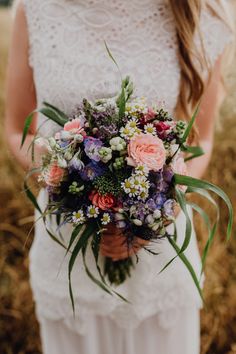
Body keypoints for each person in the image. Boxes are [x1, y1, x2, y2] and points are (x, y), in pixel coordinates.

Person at [5, 0, 234, 353]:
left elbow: (199, 139)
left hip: (159, 253)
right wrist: (70, 182)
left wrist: (154, 211)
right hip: (67, 247)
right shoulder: (35, 8)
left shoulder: (200, 11)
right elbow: (16, 125)